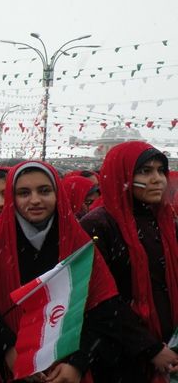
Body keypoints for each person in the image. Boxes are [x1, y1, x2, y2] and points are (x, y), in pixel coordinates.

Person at [0, 160, 125, 382]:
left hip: (67, 367)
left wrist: (77, 364)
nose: (35, 200)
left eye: (44, 191)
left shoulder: (76, 240)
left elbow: (102, 308)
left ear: (57, 193)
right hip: (7, 368)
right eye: (23, 193)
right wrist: (8, 349)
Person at [80, 141, 178, 381]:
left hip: (169, 345)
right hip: (120, 355)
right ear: (122, 175)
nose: (158, 179)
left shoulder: (166, 220)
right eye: (145, 171)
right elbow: (100, 298)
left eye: (160, 171)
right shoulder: (98, 225)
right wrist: (149, 348)